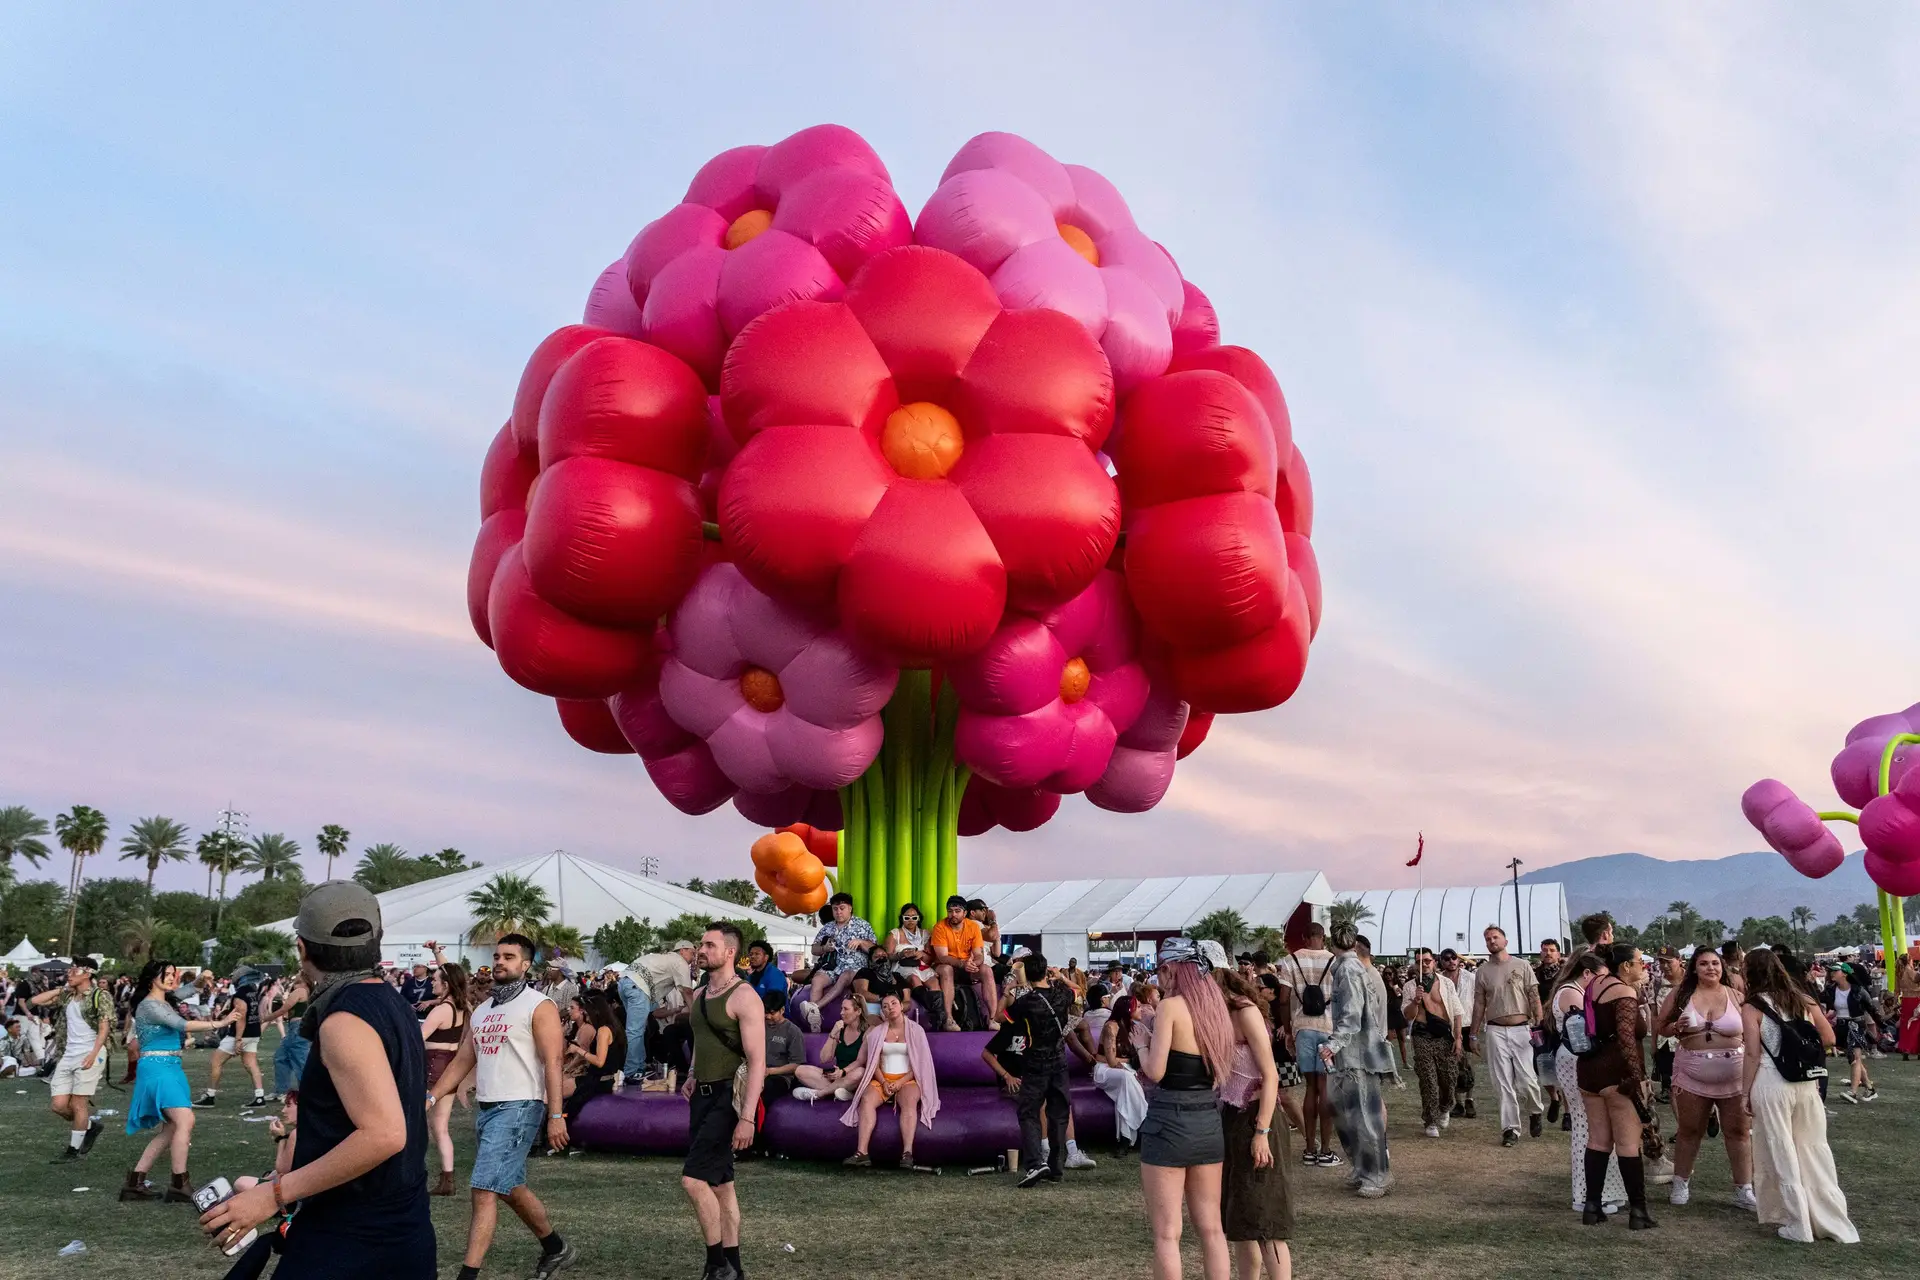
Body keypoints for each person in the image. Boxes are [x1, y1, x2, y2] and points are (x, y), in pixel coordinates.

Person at [197, 880, 435, 1277]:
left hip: (354, 1240)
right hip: (397, 1229)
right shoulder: (390, 1002)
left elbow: (384, 1134)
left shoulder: (345, 1019)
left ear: (302, 948)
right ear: (378, 940)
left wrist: (274, 1194)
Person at [430, 933, 577, 1280]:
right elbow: (462, 1061)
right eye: (497, 956)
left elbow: (553, 1061)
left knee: (483, 1188)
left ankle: (468, 1275)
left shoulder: (538, 1005)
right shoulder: (483, 1010)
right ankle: (557, 1249)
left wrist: (555, 1115)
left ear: (525, 965)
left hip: (521, 1106)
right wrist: (432, 1096)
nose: (499, 961)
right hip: (489, 1108)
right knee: (508, 1187)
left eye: (509, 957)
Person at [1741, 947, 1858, 1243]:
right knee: (1813, 1148)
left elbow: (1753, 1054)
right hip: (1806, 1083)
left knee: (1781, 1149)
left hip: (1771, 1080)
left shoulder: (1752, 1006)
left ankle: (1797, 1222)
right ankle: (1830, 1219)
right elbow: (1829, 1038)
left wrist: (1744, 1093)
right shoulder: (1802, 999)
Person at [677, 922, 766, 1280]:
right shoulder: (700, 996)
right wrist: (692, 1073)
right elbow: (701, 1040)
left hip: (728, 1099)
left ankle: (716, 1266)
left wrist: (746, 1117)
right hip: (701, 1095)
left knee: (693, 1180)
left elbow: (758, 1060)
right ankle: (735, 1268)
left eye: (710, 945)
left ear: (730, 952)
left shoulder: (744, 996)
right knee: (722, 1185)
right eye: (701, 944)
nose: (702, 950)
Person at [1139, 938, 1230, 1280]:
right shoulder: (1215, 1007)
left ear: (1174, 969)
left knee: (1167, 1233)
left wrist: (1140, 1046)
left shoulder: (1170, 1007)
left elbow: (1156, 1071)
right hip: (1208, 1120)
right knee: (1211, 1229)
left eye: (1162, 969)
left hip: (1169, 1121)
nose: (1159, 977)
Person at [118, 960, 232, 1202]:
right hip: (157, 1068)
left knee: (171, 1127)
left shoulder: (166, 999)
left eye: (172, 974)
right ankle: (179, 1183)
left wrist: (201, 981)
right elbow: (181, 1024)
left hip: (171, 1067)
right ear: (152, 978)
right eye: (166, 974)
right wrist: (218, 1023)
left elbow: (188, 990)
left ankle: (135, 1182)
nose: (171, 978)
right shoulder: (149, 1005)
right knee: (185, 1120)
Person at [1654, 946, 1752, 1209]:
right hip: (1691, 1072)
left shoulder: (1737, 996)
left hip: (1734, 1073)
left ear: (1722, 967)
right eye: (1704, 964)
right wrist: (1675, 1027)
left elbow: (1754, 1030)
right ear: (1694, 968)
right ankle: (1681, 1182)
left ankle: (1744, 1188)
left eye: (1715, 963)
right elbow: (1660, 1025)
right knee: (1689, 1131)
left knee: (1739, 1132)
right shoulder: (1680, 994)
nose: (1711, 968)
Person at [1575, 943, 1656, 1230]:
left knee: (1597, 1140)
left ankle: (1592, 1205)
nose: (1642, 966)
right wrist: (1636, 1078)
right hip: (1616, 1073)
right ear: (1625, 966)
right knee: (1627, 1143)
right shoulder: (1623, 991)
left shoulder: (1595, 983)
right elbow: (1625, 1039)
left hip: (1589, 1070)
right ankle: (1638, 1210)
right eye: (1638, 962)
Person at [1216, 968, 1289, 1280]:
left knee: (1266, 1220)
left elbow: (1270, 1075)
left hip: (1258, 1116)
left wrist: (1261, 1131)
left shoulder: (1245, 1012)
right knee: (1241, 1220)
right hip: (1231, 1117)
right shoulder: (1218, 1013)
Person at [1317, 923, 1393, 1197]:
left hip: (1356, 1056)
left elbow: (1351, 1015)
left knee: (1363, 1116)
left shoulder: (1348, 970)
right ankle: (1363, 1169)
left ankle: (1376, 1175)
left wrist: (1333, 1044)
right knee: (1346, 1112)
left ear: (1331, 942)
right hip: (1351, 1055)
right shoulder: (1347, 968)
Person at [1550, 952, 1626, 1215]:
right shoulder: (1572, 993)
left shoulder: (1573, 991)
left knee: (1596, 1125)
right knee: (1585, 1125)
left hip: (1581, 1058)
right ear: (1586, 974)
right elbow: (1586, 1031)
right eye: (1600, 978)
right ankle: (1584, 1194)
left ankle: (1604, 1190)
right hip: (1576, 1058)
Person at [1004, 953, 1087, 1184]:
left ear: (1027, 975)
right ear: (1045, 972)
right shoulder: (1061, 995)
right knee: (1059, 1114)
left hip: (1035, 1063)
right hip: (1060, 1061)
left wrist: (1009, 990)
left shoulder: (1026, 1001)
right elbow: (1079, 991)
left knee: (1029, 1112)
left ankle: (1034, 1164)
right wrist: (1060, 977)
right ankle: (1056, 1167)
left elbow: (1001, 1016)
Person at [839, 991, 938, 1169]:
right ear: (882, 1012)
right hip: (883, 1078)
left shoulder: (916, 1030)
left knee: (908, 1102)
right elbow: (873, 1064)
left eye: (893, 1003)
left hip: (908, 1078)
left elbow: (919, 1064)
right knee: (867, 1099)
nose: (890, 1008)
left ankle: (907, 1153)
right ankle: (862, 1152)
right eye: (885, 1006)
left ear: (901, 1006)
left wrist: (900, 1082)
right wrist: (884, 1082)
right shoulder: (876, 1033)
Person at [30, 954, 115, 1159]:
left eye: (75, 969)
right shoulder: (67, 995)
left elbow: (104, 1026)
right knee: (58, 1105)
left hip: (90, 1052)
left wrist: (94, 1054)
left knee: (79, 1103)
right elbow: (35, 1000)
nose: (69, 973)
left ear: (88, 973)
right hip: (68, 1054)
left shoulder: (99, 995)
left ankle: (73, 1150)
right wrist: (63, 989)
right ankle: (90, 1126)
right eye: (70, 969)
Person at [1471, 925, 1547, 1146]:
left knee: (1527, 1079)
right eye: (1487, 939)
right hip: (1495, 1029)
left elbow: (1534, 996)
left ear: (1505, 941)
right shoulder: (1483, 971)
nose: (1491, 941)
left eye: (1495, 937)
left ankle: (1535, 1111)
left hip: (1522, 1028)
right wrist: (1473, 1035)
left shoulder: (1522, 965)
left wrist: (1539, 1023)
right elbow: (1479, 1004)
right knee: (1502, 1082)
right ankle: (1510, 1130)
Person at [1275, 922, 1337, 1167]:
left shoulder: (1291, 960)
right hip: (1328, 1029)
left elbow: (1283, 999)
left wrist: (1288, 1029)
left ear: (1303, 937)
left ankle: (1309, 1148)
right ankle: (1325, 1149)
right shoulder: (1334, 960)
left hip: (1303, 1028)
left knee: (1310, 1088)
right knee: (1326, 1089)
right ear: (1323, 937)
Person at [1402, 948, 1463, 1137]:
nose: (1424, 965)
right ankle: (1430, 1120)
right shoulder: (1410, 986)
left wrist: (1458, 1037)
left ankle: (1445, 1107)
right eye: (1419, 962)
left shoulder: (1445, 983)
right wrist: (1416, 1001)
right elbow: (1407, 1015)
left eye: (1427, 961)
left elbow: (1456, 1011)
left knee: (1449, 1079)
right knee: (1428, 1079)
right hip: (1422, 1036)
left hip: (1444, 1035)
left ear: (1434, 962)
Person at [618, 940, 696, 1076]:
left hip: (625, 982)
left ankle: (639, 1066)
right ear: (682, 950)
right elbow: (687, 991)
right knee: (635, 1031)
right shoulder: (679, 961)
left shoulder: (664, 958)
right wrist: (696, 1015)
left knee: (637, 1030)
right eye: (692, 953)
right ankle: (631, 1072)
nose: (694, 957)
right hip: (638, 986)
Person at [800, 894, 875, 1034]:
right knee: (817, 979)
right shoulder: (828, 928)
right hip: (832, 966)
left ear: (850, 908)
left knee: (844, 977)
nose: (838, 912)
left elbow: (874, 948)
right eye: (835, 909)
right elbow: (814, 949)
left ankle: (814, 1007)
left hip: (854, 967)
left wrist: (861, 942)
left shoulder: (863, 925)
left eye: (842, 908)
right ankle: (815, 1020)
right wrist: (824, 948)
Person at [196, 971, 267, 1108]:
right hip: (254, 1032)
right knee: (251, 1064)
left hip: (240, 1034)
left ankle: (210, 1096)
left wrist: (238, 1039)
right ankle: (259, 1097)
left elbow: (241, 1017)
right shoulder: (253, 992)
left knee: (216, 1061)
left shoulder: (240, 995)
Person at [929, 894, 996, 1031]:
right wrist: (962, 964)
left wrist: (974, 963)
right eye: (950, 911)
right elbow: (942, 957)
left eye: (957, 911)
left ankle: (992, 1019)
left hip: (966, 966)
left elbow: (979, 955)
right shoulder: (940, 927)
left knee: (986, 970)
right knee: (947, 969)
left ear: (965, 913)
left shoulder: (973, 927)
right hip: (945, 966)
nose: (953, 914)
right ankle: (948, 1019)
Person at [1092, 993, 1150, 1149]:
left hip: (1124, 1071)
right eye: (1137, 1006)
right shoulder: (1111, 1026)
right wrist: (1132, 1062)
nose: (1141, 1009)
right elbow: (1111, 1061)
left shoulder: (1135, 1026)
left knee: (1125, 1093)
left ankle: (1125, 1140)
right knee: (1127, 1078)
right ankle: (1145, 1120)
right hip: (1104, 1070)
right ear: (1127, 1009)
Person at [560, 991, 621, 1132]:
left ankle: (556, 1136)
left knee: (566, 1107)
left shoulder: (603, 1031)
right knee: (568, 1106)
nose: (586, 1016)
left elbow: (599, 1061)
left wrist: (579, 1051)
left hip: (597, 1080)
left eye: (587, 1013)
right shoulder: (610, 1028)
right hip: (598, 1079)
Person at [792, 994, 869, 1101]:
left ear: (858, 1012)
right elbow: (824, 1058)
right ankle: (841, 1093)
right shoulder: (840, 1028)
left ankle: (820, 1093)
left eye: (845, 1009)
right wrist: (832, 1034)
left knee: (860, 1072)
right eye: (841, 1008)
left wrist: (843, 1071)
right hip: (836, 1075)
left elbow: (861, 1061)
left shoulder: (867, 1032)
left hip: (851, 1076)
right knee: (800, 1070)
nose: (841, 1012)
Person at [1824, 964, 1879, 1102]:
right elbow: (1833, 1010)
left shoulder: (1858, 990)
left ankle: (1853, 1092)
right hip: (1841, 1026)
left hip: (1856, 1025)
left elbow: (1871, 1008)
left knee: (1855, 1058)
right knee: (1854, 1059)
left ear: (1844, 974)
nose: (1832, 973)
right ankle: (1870, 1089)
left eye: (1835, 971)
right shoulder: (1831, 990)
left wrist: (1879, 1026)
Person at [1438, 949, 1477, 1120]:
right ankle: (1458, 1103)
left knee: (1467, 1064)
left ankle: (1469, 1100)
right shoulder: (1440, 980)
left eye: (1454, 957)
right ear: (1442, 962)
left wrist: (1478, 1024)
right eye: (1446, 959)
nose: (1451, 961)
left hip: (1468, 1024)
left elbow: (1479, 1000)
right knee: (1452, 1064)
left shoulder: (1470, 977)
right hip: (1448, 1026)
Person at [758, 989, 808, 1101]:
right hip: (757, 1071)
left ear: (782, 1010)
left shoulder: (793, 1031)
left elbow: (796, 1065)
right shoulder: (759, 1026)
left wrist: (770, 1071)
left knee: (763, 1087)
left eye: (772, 1013)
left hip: (780, 1077)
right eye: (766, 1012)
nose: (768, 1017)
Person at [886, 903, 932, 992]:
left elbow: (930, 959)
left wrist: (921, 954)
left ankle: (937, 1006)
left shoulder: (925, 934)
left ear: (918, 918)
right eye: (907, 918)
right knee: (915, 979)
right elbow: (887, 957)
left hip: (921, 967)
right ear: (902, 918)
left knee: (934, 983)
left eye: (914, 917)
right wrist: (900, 955)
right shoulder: (895, 934)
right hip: (902, 967)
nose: (910, 920)